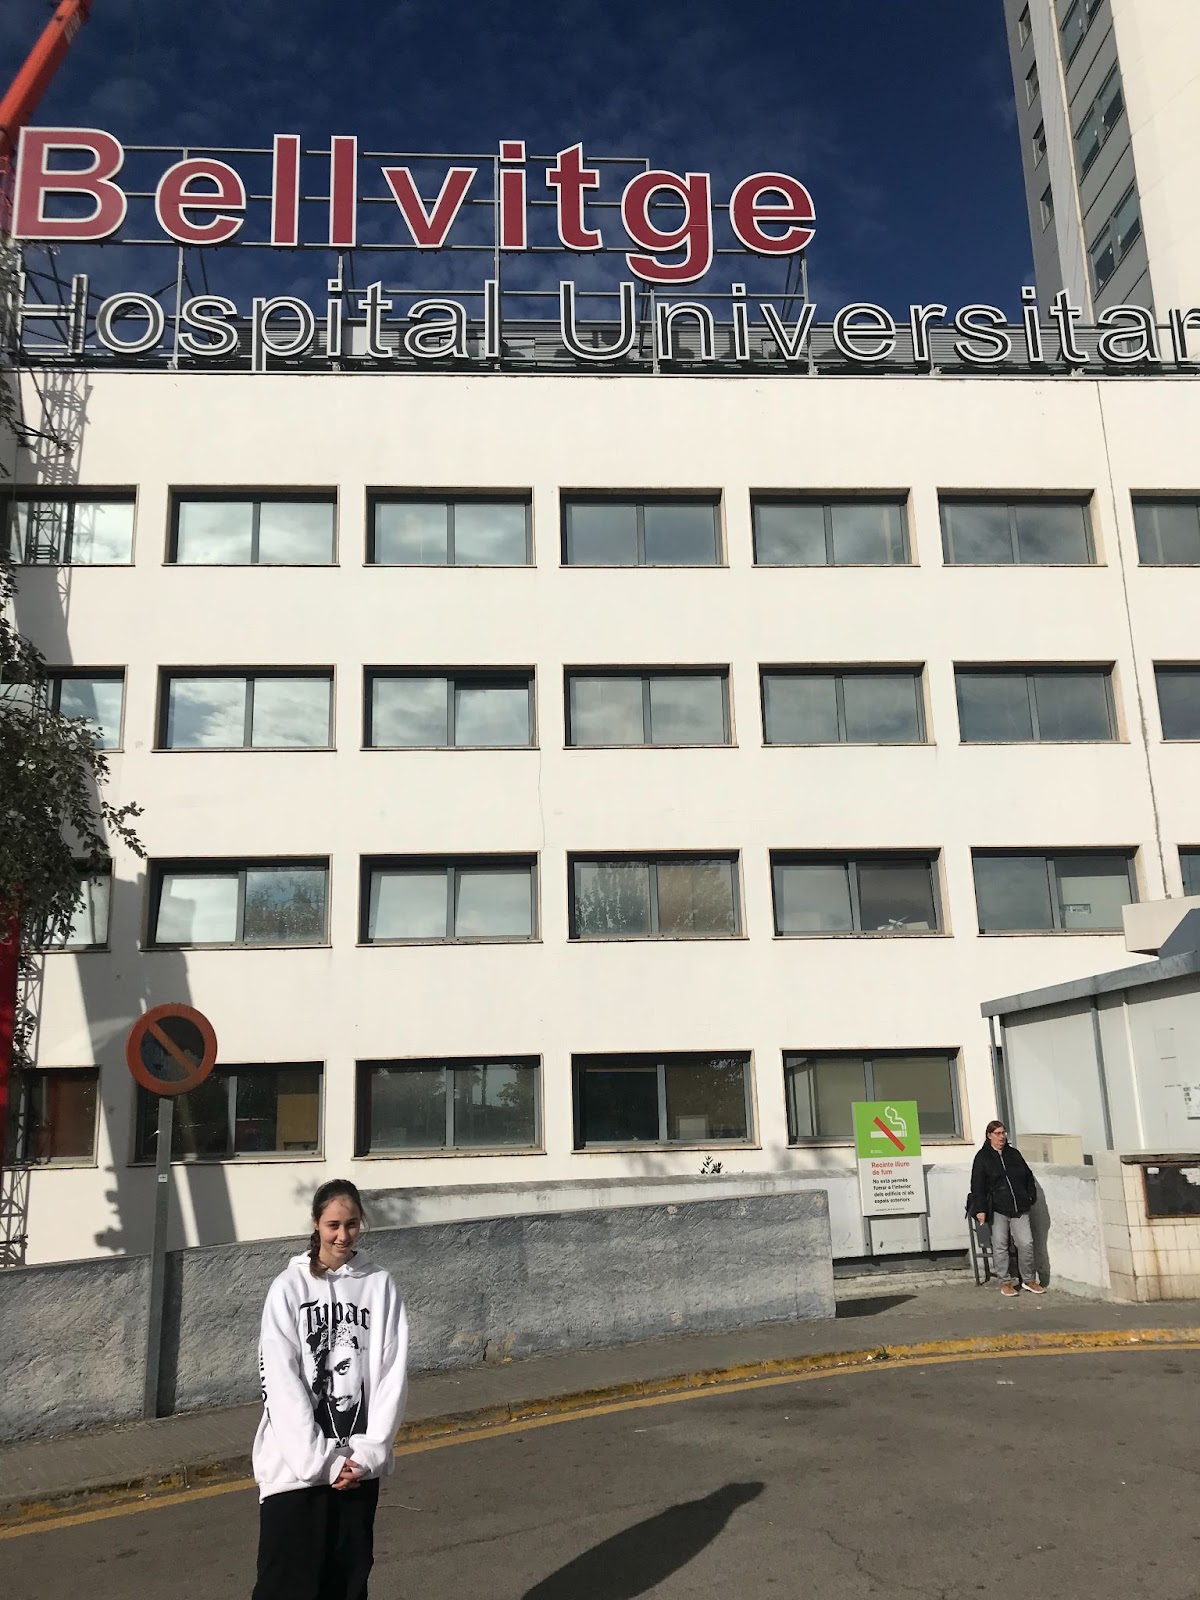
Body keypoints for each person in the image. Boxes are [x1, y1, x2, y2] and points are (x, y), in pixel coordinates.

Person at [251, 1179, 409, 1600]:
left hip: (356, 1470)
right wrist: (318, 1462)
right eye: (333, 1225)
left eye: (351, 1224)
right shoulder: (288, 1288)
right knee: (285, 1588)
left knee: (347, 1586)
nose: (343, 1236)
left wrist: (370, 1453)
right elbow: (280, 1382)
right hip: (294, 1475)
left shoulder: (379, 1285)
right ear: (316, 1224)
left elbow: (392, 1374)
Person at [970, 1120, 1045, 1297]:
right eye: (997, 1133)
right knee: (1000, 1245)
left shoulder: (1014, 1154)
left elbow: (1028, 1176)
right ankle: (1005, 1282)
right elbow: (977, 1185)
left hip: (1019, 1206)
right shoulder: (982, 1157)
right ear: (989, 1136)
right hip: (997, 1208)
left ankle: (1029, 1280)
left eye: (1003, 1133)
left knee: (1026, 1243)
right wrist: (980, 1209)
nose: (1002, 1137)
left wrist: (1030, 1196)